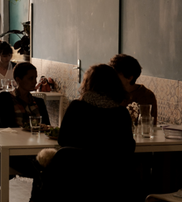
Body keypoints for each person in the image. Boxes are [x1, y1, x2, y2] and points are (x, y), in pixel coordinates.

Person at [51, 64, 136, 202]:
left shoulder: (77, 107)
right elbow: (128, 148)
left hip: (77, 178)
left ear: (88, 84)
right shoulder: (121, 113)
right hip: (112, 181)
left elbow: (63, 140)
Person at [0, 62, 50, 189]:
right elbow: (7, 124)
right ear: (18, 80)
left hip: (36, 148)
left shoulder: (39, 102)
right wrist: (32, 127)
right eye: (31, 78)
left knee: (52, 166)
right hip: (15, 150)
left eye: (36, 78)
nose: (34, 82)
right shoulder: (6, 98)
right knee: (43, 171)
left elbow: (47, 126)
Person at [110, 54, 157, 124]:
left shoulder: (146, 96)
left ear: (129, 78)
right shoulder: (109, 92)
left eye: (115, 75)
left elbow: (148, 126)